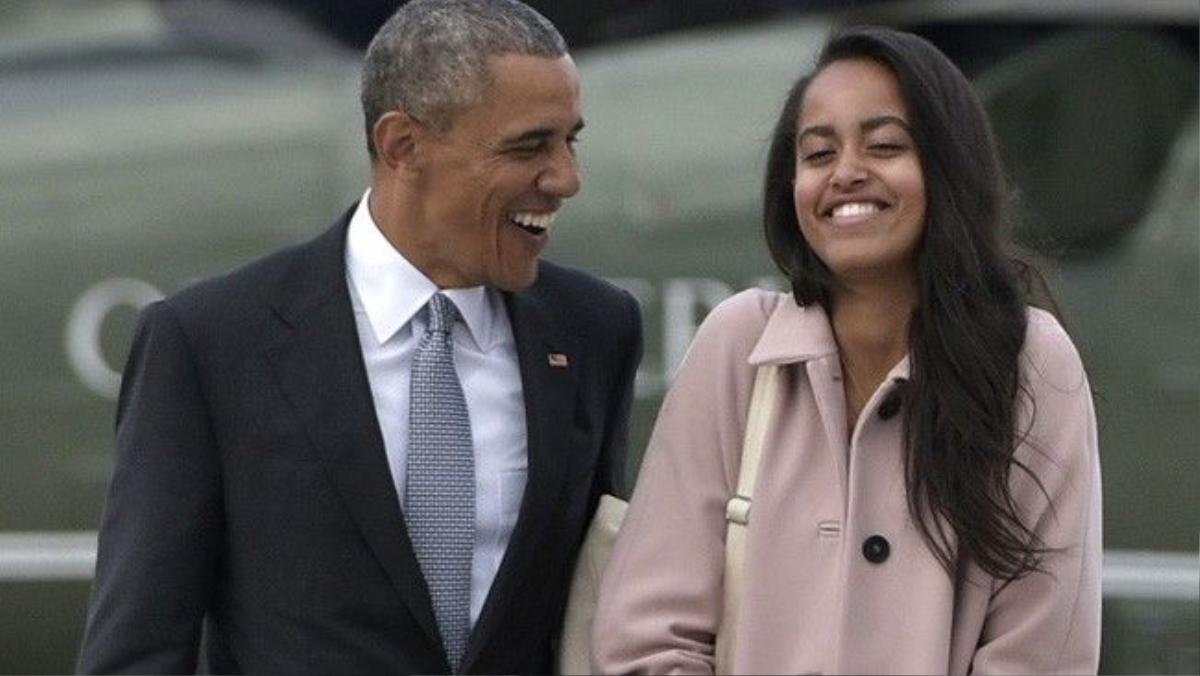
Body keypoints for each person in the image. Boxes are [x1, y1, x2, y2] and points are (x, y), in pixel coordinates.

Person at [76, 1, 642, 673]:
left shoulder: (594, 328)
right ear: (402, 145)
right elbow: (137, 650)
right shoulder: (212, 342)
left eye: (570, 140)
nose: (565, 179)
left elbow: (591, 606)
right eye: (529, 146)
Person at [592, 26, 1100, 675]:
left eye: (885, 146)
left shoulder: (1031, 362)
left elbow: (1041, 654)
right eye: (818, 153)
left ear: (948, 167)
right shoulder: (737, 346)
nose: (846, 174)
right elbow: (646, 639)